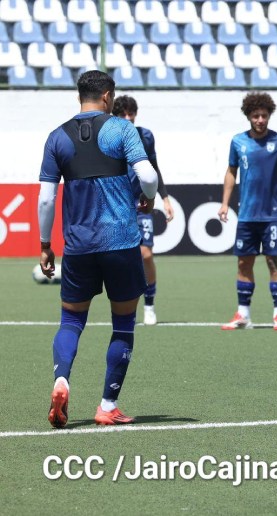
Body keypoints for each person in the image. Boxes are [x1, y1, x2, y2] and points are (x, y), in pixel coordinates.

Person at [38, 70, 158, 428]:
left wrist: (45, 245)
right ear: (107, 96)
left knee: (71, 320)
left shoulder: (57, 137)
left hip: (79, 246)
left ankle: (62, 379)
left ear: (80, 96)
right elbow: (148, 176)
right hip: (121, 242)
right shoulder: (122, 129)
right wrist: (149, 197)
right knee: (123, 324)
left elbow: (46, 199)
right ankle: (107, 405)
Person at [219, 92, 277, 331]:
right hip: (246, 215)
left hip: (272, 215)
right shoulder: (238, 142)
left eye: (264, 115)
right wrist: (224, 203)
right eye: (256, 116)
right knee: (244, 264)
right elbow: (231, 172)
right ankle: (243, 314)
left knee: (274, 263)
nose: (260, 120)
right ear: (248, 116)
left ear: (269, 115)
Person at [112, 95, 174, 326]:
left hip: (141, 205)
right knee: (119, 259)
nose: (128, 118)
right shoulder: (109, 137)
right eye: (123, 114)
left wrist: (165, 198)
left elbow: (153, 168)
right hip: (117, 206)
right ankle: (125, 307)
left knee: (146, 254)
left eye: (131, 113)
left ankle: (149, 305)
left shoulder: (145, 136)